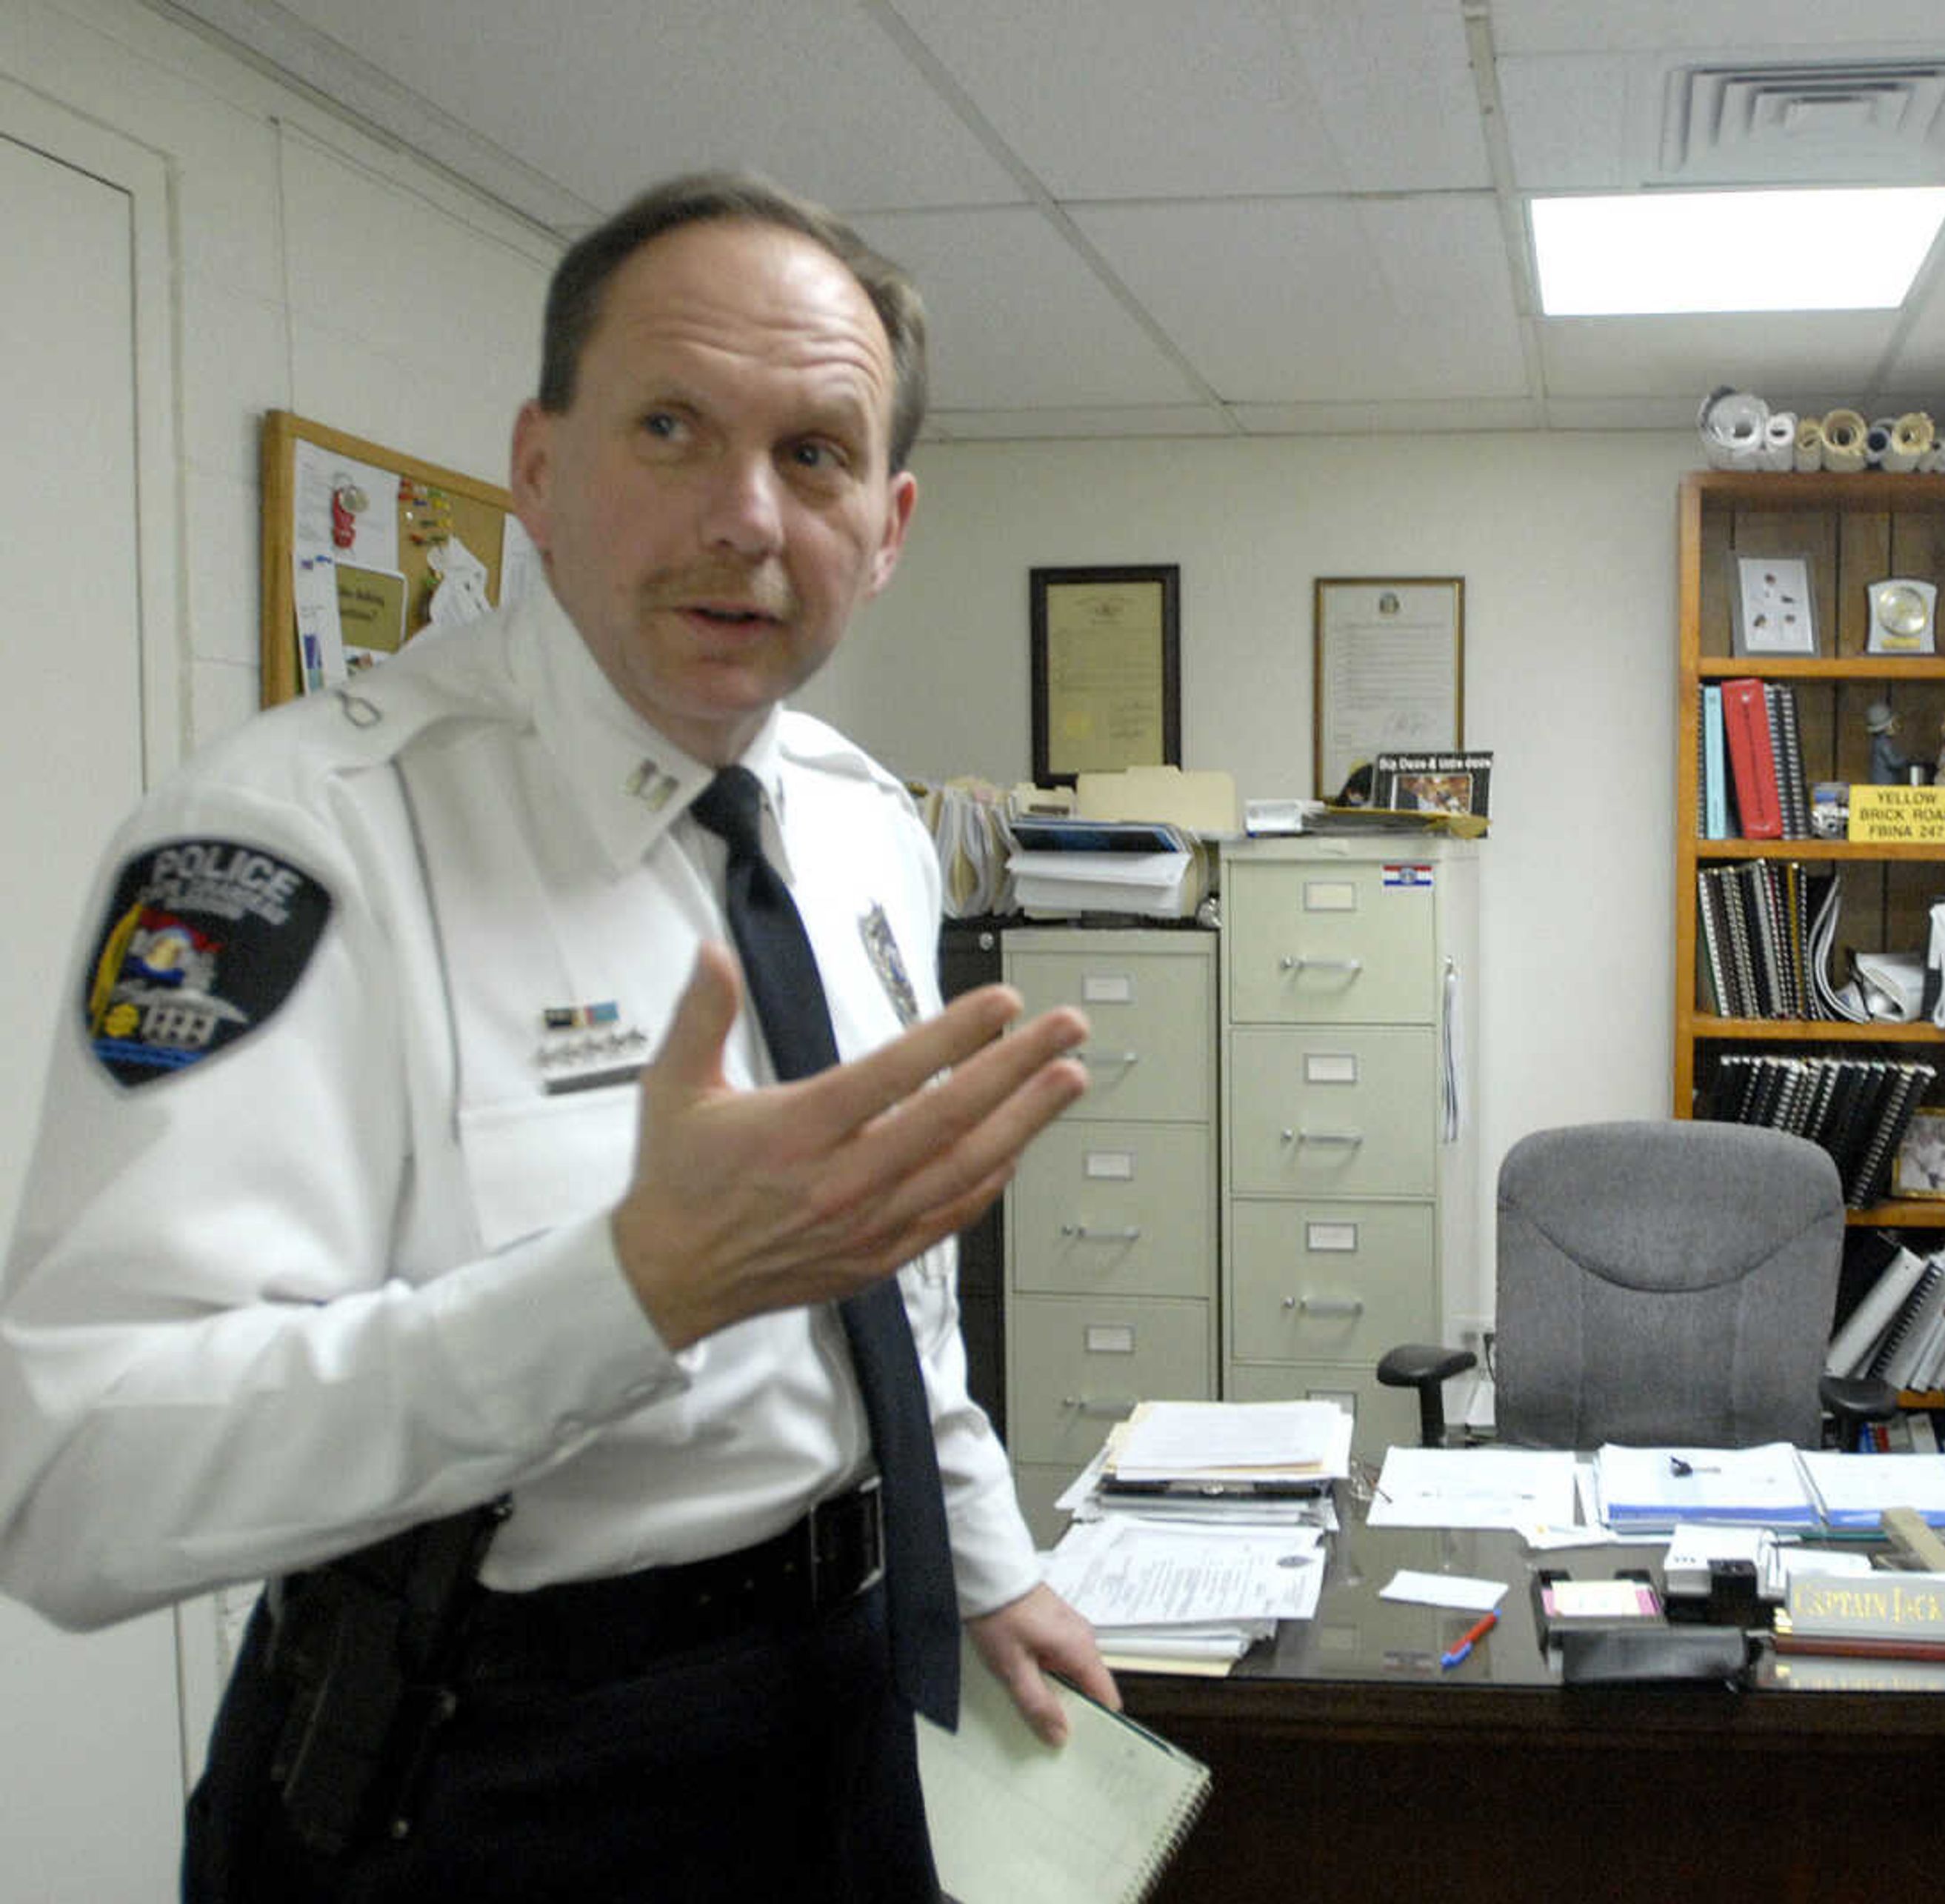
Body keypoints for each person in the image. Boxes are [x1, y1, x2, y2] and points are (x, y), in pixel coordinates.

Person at [0, 171, 1116, 1900]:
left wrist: (982, 1559)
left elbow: (890, 1292)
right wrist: (633, 1288)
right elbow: (72, 1480)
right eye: (672, 426)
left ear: (888, 528)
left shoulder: (857, 819)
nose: (745, 515)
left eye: (813, 455)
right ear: (537, 465)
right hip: (492, 1758)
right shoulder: (294, 846)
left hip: (847, 1699)